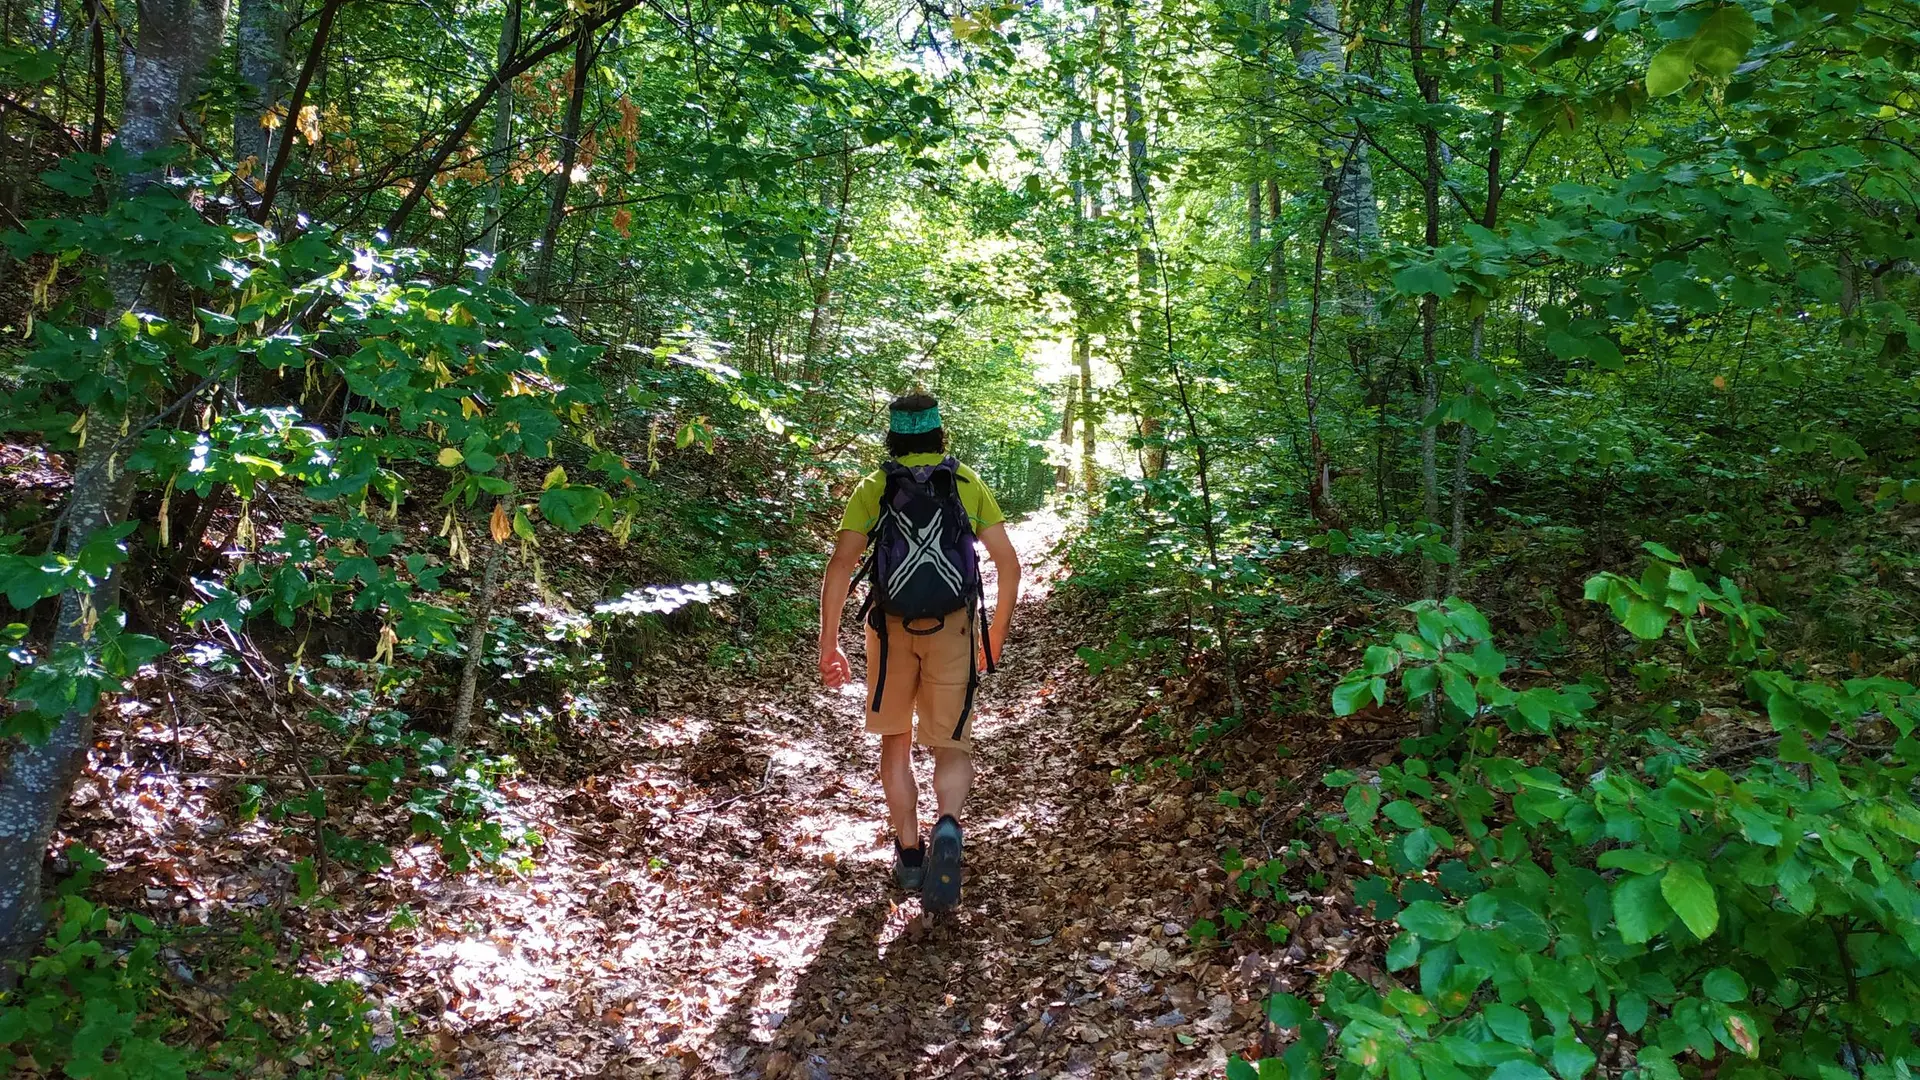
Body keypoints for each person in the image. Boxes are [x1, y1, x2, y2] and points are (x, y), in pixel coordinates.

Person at [818, 393, 1021, 911]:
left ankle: (909, 857)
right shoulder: (965, 482)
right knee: (951, 743)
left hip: (888, 631)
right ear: (939, 434)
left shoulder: (875, 486)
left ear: (892, 435)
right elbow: (1007, 563)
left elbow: (841, 566)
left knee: (896, 740)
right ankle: (948, 824)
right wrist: (994, 633)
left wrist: (830, 641)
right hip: (953, 629)